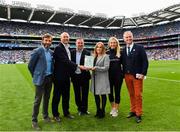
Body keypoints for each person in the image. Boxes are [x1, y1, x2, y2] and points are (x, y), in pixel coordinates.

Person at [52, 32, 85, 121]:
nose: (66, 38)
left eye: (67, 37)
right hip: (59, 77)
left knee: (66, 96)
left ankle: (66, 112)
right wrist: (78, 66)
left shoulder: (68, 48)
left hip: (66, 76)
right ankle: (55, 114)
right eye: (64, 37)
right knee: (57, 96)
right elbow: (65, 61)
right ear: (60, 38)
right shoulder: (58, 48)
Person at [122, 31, 149, 123]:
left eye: (130, 37)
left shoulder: (140, 48)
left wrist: (143, 73)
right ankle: (133, 110)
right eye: (126, 37)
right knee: (131, 94)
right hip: (127, 75)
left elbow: (145, 61)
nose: (128, 38)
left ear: (132, 37)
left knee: (138, 95)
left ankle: (138, 113)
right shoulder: (123, 49)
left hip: (137, 76)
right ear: (124, 39)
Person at [28, 33, 53, 130]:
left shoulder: (51, 52)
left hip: (49, 78)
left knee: (47, 98)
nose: (48, 42)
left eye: (49, 41)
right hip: (40, 79)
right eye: (46, 40)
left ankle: (45, 116)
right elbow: (30, 66)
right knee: (37, 100)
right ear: (42, 41)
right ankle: (34, 121)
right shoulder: (37, 51)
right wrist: (35, 76)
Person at [71, 38, 91, 115]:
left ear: (83, 44)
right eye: (78, 43)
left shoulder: (87, 52)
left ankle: (85, 110)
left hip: (85, 76)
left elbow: (89, 65)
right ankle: (79, 109)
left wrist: (87, 67)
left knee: (85, 94)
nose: (80, 44)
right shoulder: (71, 52)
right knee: (77, 94)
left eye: (81, 43)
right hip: (75, 76)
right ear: (76, 44)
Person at [90, 42, 110, 118]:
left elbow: (106, 67)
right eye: (97, 47)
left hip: (102, 79)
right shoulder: (94, 56)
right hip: (95, 79)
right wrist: (88, 68)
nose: (98, 48)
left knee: (103, 95)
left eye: (100, 47)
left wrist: (96, 68)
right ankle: (98, 110)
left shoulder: (106, 56)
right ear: (95, 48)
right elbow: (90, 66)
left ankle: (103, 111)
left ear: (103, 48)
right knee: (96, 95)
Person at [107, 37, 123, 117]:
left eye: (114, 42)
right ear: (109, 44)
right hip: (108, 77)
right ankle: (113, 107)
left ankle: (116, 109)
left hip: (118, 77)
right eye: (111, 42)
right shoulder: (106, 52)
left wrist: (122, 75)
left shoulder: (120, 52)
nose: (113, 44)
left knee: (117, 93)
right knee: (109, 93)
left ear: (117, 44)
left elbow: (125, 64)